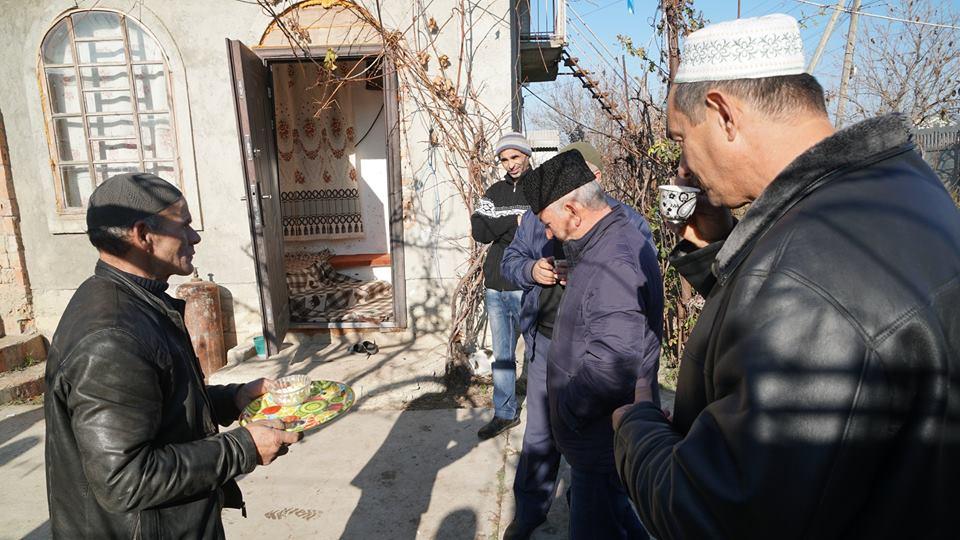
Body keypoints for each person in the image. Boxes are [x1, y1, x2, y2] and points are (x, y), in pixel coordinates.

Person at [612, 14, 960, 539]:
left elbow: (714, 516)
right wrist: (717, 252)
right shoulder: (900, 185)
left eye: (681, 138)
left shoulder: (808, 275)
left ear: (723, 114)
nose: (684, 166)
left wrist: (635, 430)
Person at [44, 173, 300, 538]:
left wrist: (233, 398)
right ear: (144, 235)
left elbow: (155, 402)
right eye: (184, 225)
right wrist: (243, 447)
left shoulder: (138, 302)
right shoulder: (112, 337)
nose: (195, 237)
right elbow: (124, 479)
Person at [499, 142, 657, 539]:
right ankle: (531, 512)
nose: (547, 232)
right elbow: (510, 260)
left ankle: (584, 502)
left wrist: (569, 409)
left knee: (597, 486)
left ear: (574, 206)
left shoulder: (621, 243)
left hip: (589, 376)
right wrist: (532, 270)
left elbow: (614, 356)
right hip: (549, 345)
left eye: (549, 223)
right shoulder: (554, 220)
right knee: (541, 440)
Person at [471, 132, 532, 439]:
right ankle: (505, 413)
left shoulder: (540, 187)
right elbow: (479, 231)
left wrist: (499, 226)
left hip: (527, 283)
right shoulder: (495, 191)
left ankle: (547, 412)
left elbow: (538, 232)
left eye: (515, 157)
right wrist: (511, 223)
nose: (510, 164)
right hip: (496, 286)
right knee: (503, 356)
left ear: (527, 155)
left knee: (539, 351)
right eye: (505, 159)